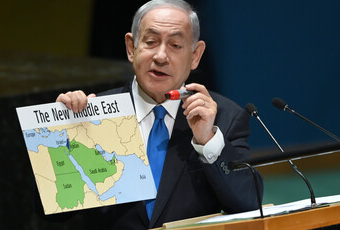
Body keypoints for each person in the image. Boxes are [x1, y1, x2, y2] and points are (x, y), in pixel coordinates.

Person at [36, 0, 263, 229]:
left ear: (195, 55)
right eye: (151, 42)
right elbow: (51, 214)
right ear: (131, 48)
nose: (161, 56)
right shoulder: (93, 115)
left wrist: (208, 142)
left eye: (175, 45)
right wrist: (63, 137)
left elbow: (249, 203)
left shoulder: (224, 116)